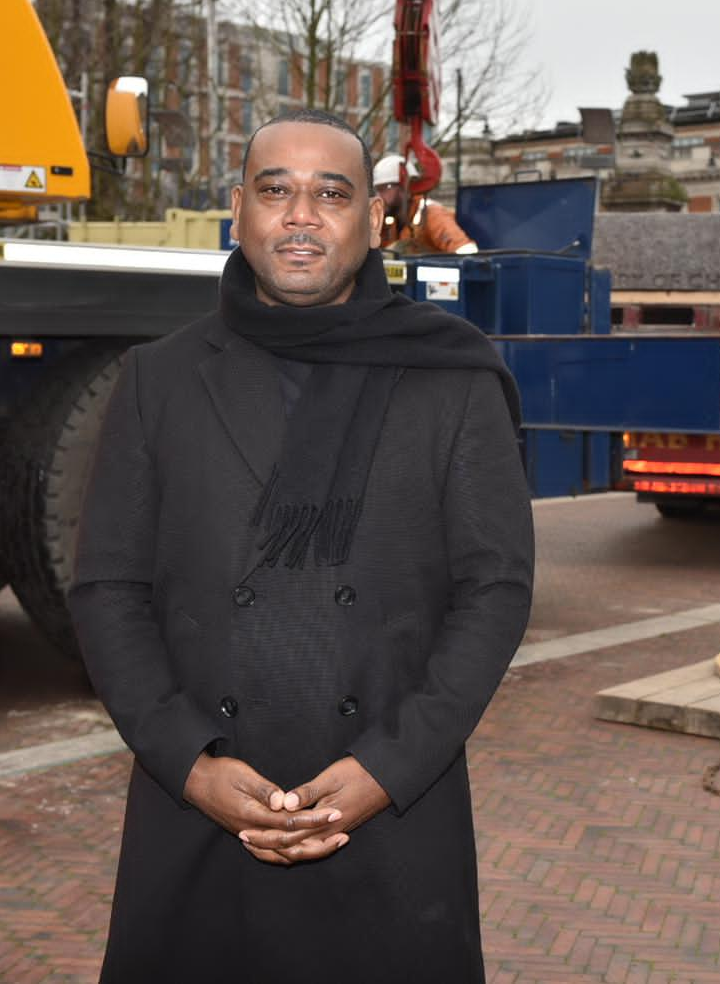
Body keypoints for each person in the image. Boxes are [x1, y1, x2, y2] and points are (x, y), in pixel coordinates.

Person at [69, 107, 534, 982]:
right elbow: (109, 589)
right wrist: (189, 762)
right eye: (276, 191)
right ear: (238, 210)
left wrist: (388, 768)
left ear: (372, 219)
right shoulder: (157, 379)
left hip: (391, 812)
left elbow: (495, 589)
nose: (301, 215)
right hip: (201, 810)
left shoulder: (453, 375)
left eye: (332, 194)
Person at [373, 153, 479, 255]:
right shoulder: (392, 221)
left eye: (384, 188)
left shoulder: (431, 214)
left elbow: (466, 251)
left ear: (404, 186)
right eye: (377, 190)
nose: (379, 196)